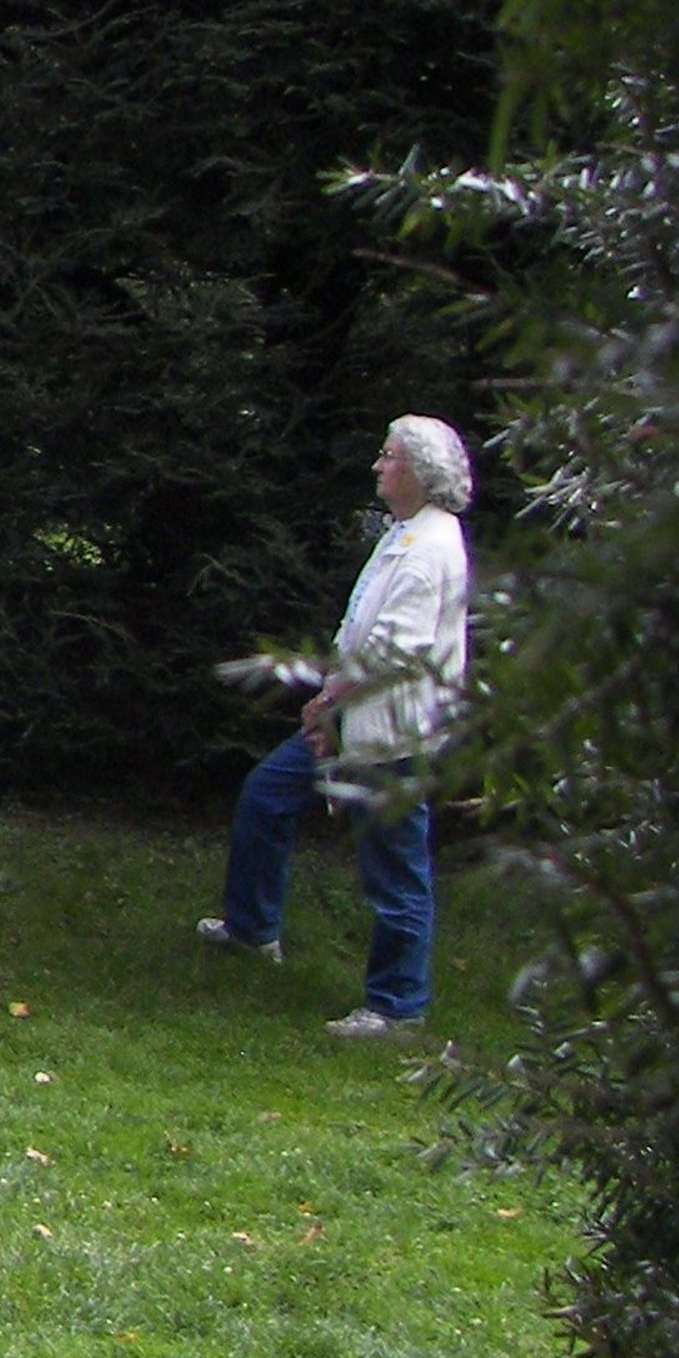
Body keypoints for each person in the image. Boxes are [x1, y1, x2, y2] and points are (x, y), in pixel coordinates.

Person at [199, 417, 474, 1035]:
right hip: (354, 717)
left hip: (390, 734)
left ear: (420, 473)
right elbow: (359, 629)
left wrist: (328, 705)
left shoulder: (430, 550)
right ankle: (252, 929)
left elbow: (388, 652)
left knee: (394, 866)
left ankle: (398, 1005)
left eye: (389, 457)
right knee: (267, 796)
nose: (378, 466)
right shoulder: (405, 533)